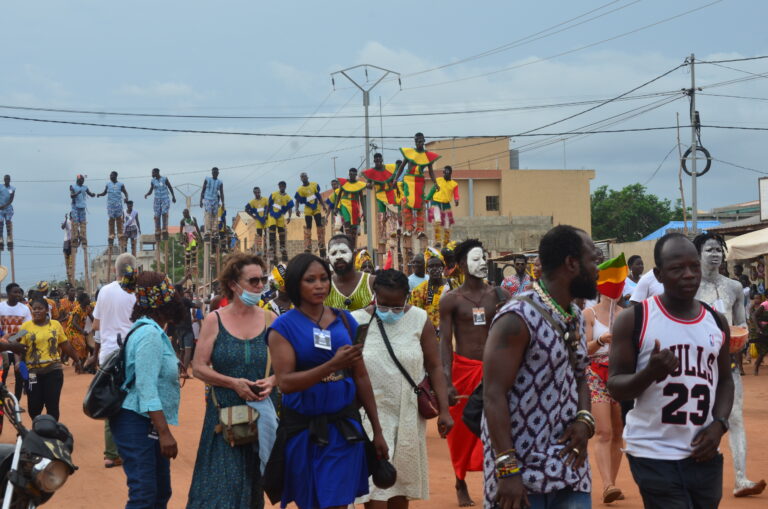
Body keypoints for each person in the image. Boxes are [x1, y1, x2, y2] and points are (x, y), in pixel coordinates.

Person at [608, 233, 735, 508]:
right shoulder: (635, 319)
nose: (689, 275)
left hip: (703, 450)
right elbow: (615, 386)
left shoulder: (716, 321)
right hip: (653, 451)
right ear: (659, 274)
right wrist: (649, 373)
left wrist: (720, 425)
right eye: (677, 268)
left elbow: (725, 381)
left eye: (694, 267)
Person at [483, 225, 597, 509]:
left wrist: (584, 419)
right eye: (593, 260)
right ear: (572, 263)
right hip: (520, 473)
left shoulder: (574, 315)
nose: (598, 269)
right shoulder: (516, 319)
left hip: (570, 463)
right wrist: (508, 470)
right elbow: (493, 394)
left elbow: (581, 373)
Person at [266, 252, 388, 509]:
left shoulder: (344, 320)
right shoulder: (283, 327)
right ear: (296, 284)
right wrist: (331, 365)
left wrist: (376, 430)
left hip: (343, 431)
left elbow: (361, 375)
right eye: (311, 280)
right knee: (311, 502)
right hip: (303, 432)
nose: (320, 285)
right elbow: (286, 383)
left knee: (336, 502)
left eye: (324, 278)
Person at [352, 269, 453, 508]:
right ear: (374, 295)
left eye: (397, 306)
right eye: (384, 305)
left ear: (407, 298)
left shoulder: (419, 319)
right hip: (370, 415)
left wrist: (445, 411)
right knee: (375, 487)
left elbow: (435, 366)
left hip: (408, 413)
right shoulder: (357, 321)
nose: (390, 312)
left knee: (400, 487)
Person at [188, 253, 277, 508]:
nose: (260, 286)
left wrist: (272, 381)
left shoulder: (271, 320)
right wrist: (233, 383)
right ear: (234, 285)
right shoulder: (215, 320)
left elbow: (286, 366)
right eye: (254, 281)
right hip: (223, 420)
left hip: (261, 422)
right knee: (219, 489)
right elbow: (199, 368)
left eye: (262, 280)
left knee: (252, 489)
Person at [693, 232, 766, 498]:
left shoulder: (734, 287)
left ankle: (741, 478)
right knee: (699, 420)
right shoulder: (690, 286)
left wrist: (740, 339)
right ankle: (700, 478)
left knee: (735, 418)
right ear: (698, 254)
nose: (715, 254)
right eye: (709, 250)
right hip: (695, 367)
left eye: (719, 250)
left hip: (728, 365)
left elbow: (741, 324)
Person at [439, 239, 510, 507]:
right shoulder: (451, 300)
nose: (482, 263)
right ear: (461, 266)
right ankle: (460, 481)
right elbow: (445, 342)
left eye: (484, 258)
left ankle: (498, 478)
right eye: (476, 259)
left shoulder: (499, 295)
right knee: (462, 431)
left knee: (497, 424)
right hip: (463, 371)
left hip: (494, 369)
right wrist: (446, 381)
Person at [111, 270, 185, 509]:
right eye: (171, 292)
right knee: (144, 494)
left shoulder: (153, 331)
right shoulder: (149, 334)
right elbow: (145, 386)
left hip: (146, 421)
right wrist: (165, 433)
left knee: (160, 491)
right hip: (135, 421)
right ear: (162, 302)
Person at [92, 253, 137, 469]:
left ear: (115, 271)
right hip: (133, 351)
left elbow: (95, 325)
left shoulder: (104, 291)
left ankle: (111, 454)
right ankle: (134, 450)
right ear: (134, 270)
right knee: (135, 400)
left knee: (111, 402)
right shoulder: (136, 291)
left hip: (109, 353)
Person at [584, 296, 624, 503]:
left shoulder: (625, 315)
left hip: (618, 373)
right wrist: (600, 340)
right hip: (594, 373)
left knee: (618, 431)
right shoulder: (589, 314)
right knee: (604, 431)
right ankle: (607, 483)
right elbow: (584, 350)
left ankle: (613, 482)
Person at [18, 297, 82, 420]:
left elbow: (65, 344)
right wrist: (18, 363)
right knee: (34, 405)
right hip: (32, 372)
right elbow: (13, 343)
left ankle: (52, 431)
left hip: (53, 370)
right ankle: (37, 429)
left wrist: (77, 360)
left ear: (46, 310)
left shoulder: (56, 325)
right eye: (34, 309)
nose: (36, 311)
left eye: (40, 308)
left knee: (52, 405)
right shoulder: (25, 327)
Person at [394, 133, 440, 258]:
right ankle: (409, 228)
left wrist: (435, 183)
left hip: (420, 181)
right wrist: (395, 180)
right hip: (409, 181)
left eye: (421, 141)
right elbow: (401, 167)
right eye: (417, 141)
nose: (419, 143)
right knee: (407, 204)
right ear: (415, 142)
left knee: (420, 205)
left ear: (424, 141)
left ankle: (420, 229)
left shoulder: (427, 156)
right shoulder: (409, 154)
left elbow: (430, 172)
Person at [362, 153, 399, 259]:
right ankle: (382, 238)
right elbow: (368, 185)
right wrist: (369, 185)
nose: (378, 160)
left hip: (390, 194)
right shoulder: (372, 172)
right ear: (374, 160)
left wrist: (394, 183)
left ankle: (393, 233)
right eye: (376, 159)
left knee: (392, 216)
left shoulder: (389, 169)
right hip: (379, 195)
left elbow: (393, 181)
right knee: (381, 217)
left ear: (382, 159)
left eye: (379, 158)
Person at [324, 234, 375, 311]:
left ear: (354, 254)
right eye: (333, 253)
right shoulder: (324, 286)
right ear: (328, 259)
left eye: (343, 252)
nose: (338, 257)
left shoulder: (371, 282)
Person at [0, 282, 33, 399]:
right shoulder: (1, 307)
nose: (18, 294)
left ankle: (17, 402)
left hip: (19, 347)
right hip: (4, 348)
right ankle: (2, 401)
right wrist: (6, 340)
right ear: (8, 293)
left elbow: (27, 328)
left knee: (20, 376)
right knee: (2, 375)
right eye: (15, 292)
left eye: (19, 292)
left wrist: (13, 339)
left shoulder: (25, 309)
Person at [411, 248, 453, 333]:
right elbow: (415, 318)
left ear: (443, 267)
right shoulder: (419, 291)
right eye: (431, 266)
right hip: (430, 338)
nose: (434, 269)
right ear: (427, 269)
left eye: (438, 265)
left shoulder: (452, 285)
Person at [294, 172, 328, 257]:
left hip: (316, 208)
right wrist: (297, 209)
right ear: (300, 179)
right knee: (308, 226)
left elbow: (319, 196)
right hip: (308, 209)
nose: (303, 178)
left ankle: (321, 243)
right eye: (302, 177)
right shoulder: (300, 189)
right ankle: (308, 245)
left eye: (304, 176)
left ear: (307, 177)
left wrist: (323, 205)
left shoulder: (314, 185)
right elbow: (297, 200)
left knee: (319, 225)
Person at [426, 165, 459, 247]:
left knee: (447, 224)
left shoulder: (454, 184)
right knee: (437, 220)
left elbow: (456, 194)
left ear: (450, 173)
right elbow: (433, 190)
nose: (445, 174)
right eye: (444, 172)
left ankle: (446, 243)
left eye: (447, 172)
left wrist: (456, 200)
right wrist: (426, 199)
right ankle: (437, 241)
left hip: (446, 204)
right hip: (436, 202)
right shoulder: (438, 180)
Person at [97, 171, 129, 253]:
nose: (110, 176)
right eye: (110, 175)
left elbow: (125, 192)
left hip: (118, 205)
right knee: (111, 220)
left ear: (115, 176)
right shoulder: (108, 184)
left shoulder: (120, 185)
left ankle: (120, 233)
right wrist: (99, 195)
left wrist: (126, 198)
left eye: (112, 175)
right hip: (110, 205)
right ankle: (112, 234)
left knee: (119, 220)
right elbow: (104, 193)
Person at [335, 168, 366, 247]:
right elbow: (339, 196)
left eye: (354, 174)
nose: (352, 175)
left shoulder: (359, 185)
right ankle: (348, 240)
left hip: (355, 205)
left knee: (354, 228)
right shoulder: (344, 183)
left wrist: (364, 211)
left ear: (356, 175)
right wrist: (335, 207)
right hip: (345, 204)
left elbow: (362, 198)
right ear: (349, 174)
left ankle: (353, 245)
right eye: (351, 174)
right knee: (347, 221)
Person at [144, 167, 176, 240]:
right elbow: (151, 190)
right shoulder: (153, 181)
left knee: (164, 212)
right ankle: (158, 229)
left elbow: (170, 187)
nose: (152, 174)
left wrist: (173, 196)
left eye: (153, 172)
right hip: (157, 199)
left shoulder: (164, 179)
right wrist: (147, 194)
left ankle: (164, 228)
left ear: (157, 172)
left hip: (165, 198)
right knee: (157, 214)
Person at [267, 181, 294, 264]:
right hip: (272, 215)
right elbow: (268, 205)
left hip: (280, 216)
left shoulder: (288, 197)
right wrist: (265, 214)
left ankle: (282, 248)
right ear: (278, 186)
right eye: (280, 186)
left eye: (283, 186)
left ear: (285, 187)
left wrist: (289, 216)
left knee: (281, 232)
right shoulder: (274, 194)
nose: (282, 187)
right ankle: (272, 248)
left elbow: (290, 207)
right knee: (272, 231)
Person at [65, 292, 92, 368]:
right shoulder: (78, 309)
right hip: (72, 331)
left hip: (79, 331)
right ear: (83, 300)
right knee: (82, 345)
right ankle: (77, 362)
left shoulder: (87, 308)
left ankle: (79, 365)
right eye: (88, 298)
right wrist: (82, 331)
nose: (89, 299)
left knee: (86, 349)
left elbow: (92, 318)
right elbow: (74, 323)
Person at [69, 174, 95, 249]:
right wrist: (77, 193)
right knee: (75, 223)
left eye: (83, 180)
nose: (82, 181)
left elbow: (90, 193)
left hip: (82, 208)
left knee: (83, 224)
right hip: (75, 207)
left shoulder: (85, 187)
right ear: (78, 179)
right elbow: (71, 195)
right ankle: (75, 239)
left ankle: (83, 239)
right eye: (81, 180)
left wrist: (93, 195)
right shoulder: (73, 187)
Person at [200, 167, 225, 241]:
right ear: (212, 173)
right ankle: (208, 230)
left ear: (218, 173)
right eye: (214, 172)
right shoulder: (207, 179)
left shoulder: (220, 182)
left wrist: (223, 203)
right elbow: (203, 190)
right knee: (208, 213)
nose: (215, 173)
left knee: (215, 215)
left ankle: (214, 231)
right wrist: (201, 200)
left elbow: (222, 193)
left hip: (215, 200)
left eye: (216, 172)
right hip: (207, 198)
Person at [245, 186, 269, 256]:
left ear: (260, 192)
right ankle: (259, 249)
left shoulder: (265, 199)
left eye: (258, 192)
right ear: (254, 193)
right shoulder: (252, 202)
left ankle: (267, 249)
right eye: (256, 192)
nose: (257, 193)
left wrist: (266, 215)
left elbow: (268, 207)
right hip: (258, 221)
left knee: (267, 235)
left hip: (265, 220)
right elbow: (246, 209)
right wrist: (253, 216)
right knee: (259, 235)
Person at [179, 209, 201, 279]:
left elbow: (197, 227)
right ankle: (188, 265)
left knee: (193, 249)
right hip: (187, 237)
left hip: (193, 235)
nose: (184, 215)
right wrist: (181, 239)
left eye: (185, 214)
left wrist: (200, 236)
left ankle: (194, 263)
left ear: (187, 213)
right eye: (183, 214)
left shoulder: (193, 218)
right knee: (188, 251)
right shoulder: (182, 221)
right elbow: (180, 231)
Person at [0, 174, 16, 251]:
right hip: (0, 208)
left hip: (8, 208)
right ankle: (1, 238)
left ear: (9, 180)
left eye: (8, 179)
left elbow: (11, 199)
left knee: (8, 222)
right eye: (5, 179)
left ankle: (9, 237)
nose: (6, 180)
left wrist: (5, 205)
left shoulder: (12, 188)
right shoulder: (0, 187)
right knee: (0, 222)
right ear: (4, 180)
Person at [61, 212, 75, 284]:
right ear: (71, 217)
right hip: (67, 241)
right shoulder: (68, 222)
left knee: (71, 258)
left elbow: (77, 233)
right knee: (67, 257)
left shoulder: (75, 223)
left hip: (73, 242)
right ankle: (68, 272)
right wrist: (66, 219)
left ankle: (70, 271)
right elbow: (62, 227)